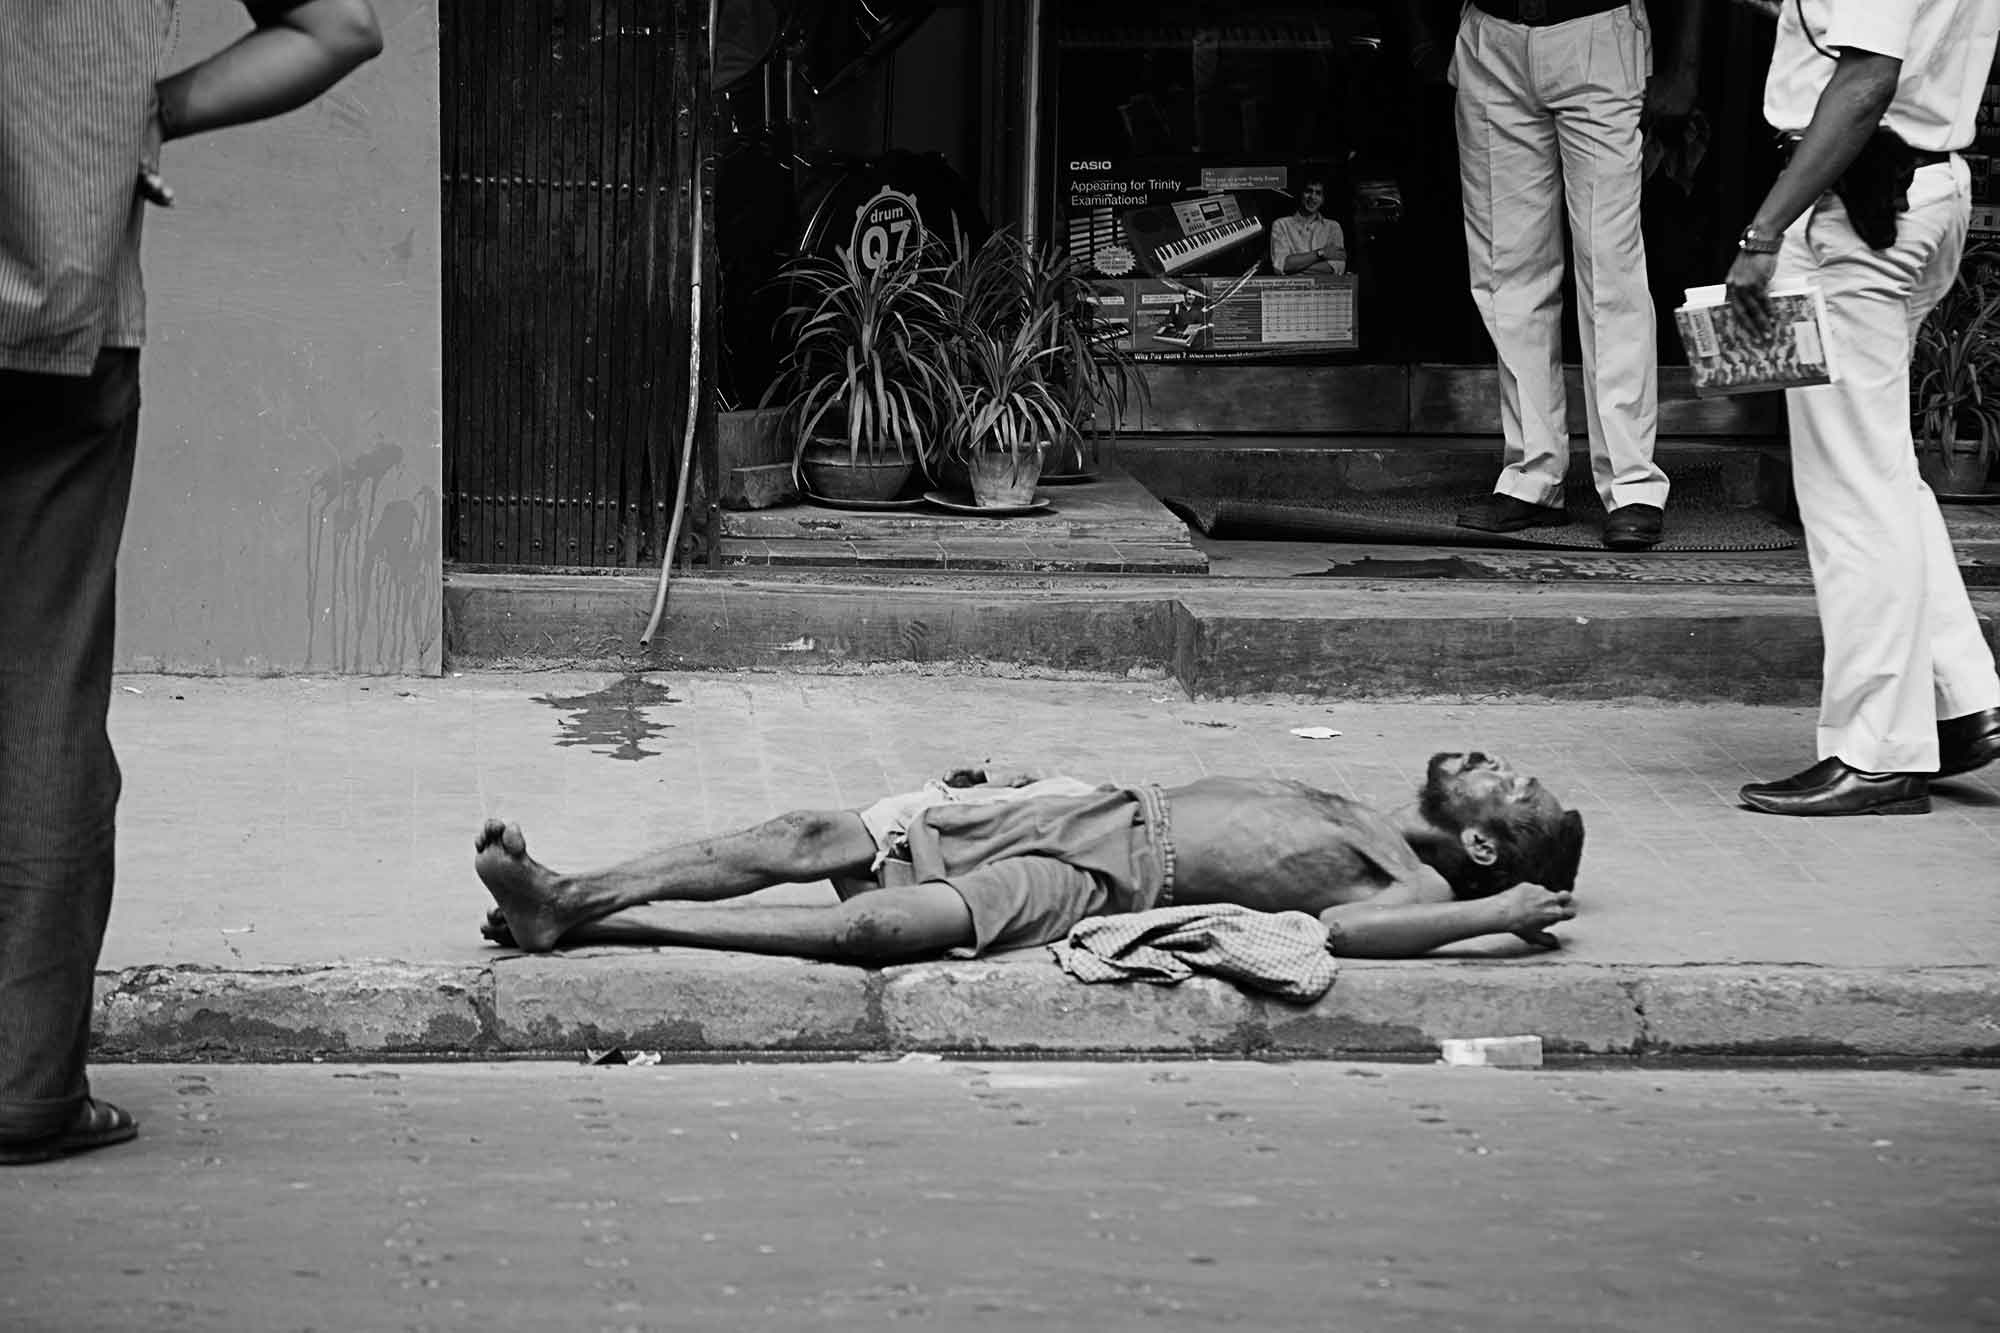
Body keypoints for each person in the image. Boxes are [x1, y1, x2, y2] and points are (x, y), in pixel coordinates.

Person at [0, 0, 382, 1167]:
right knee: (42, 691)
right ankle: (21, 1085)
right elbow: (339, 29)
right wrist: (132, 116)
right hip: (57, 317)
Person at [473, 753, 1586, 963]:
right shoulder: (1366, 806)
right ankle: (573, 890)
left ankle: (594, 921)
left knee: (878, 930)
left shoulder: (1424, 882)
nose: (1496, 765)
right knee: (817, 838)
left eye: (1511, 788)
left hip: (1108, 878)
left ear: (1485, 843)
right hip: (1090, 805)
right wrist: (1030, 782)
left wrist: (1495, 914)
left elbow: (1341, 935)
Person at [1724, 0, 2000, 816]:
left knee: (1850, 492)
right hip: (1916, 188)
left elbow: (1868, 78)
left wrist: (1764, 231)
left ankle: (1876, 751)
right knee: (1879, 471)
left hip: (1859, 207)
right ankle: (1962, 698)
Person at [1435, 0, 1708, 551]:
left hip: (1596, 26)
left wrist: (1686, 67)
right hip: (1492, 34)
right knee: (1505, 269)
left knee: (1611, 267)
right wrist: (1423, 38)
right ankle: (1532, 475)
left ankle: (1632, 484)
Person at [1269, 175, 1348, 276]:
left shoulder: (1333, 227)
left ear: (1323, 199)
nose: (1312, 197)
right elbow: (1282, 266)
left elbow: (1338, 267)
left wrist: (1295, 266)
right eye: (1308, 191)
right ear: (1300, 194)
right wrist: (1321, 253)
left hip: (1323, 290)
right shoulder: (1280, 225)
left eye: (1318, 193)